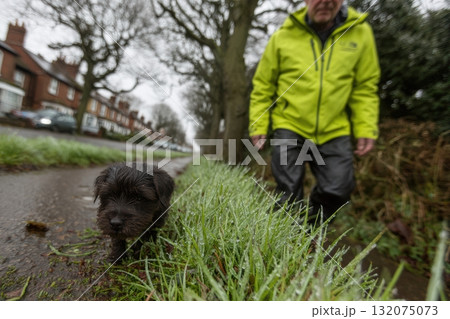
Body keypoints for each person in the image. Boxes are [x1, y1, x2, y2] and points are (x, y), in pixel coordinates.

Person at [249, 0, 380, 223]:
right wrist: (259, 124)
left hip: (335, 128)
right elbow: (263, 85)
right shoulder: (283, 36)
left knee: (337, 190)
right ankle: (283, 242)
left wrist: (366, 126)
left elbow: (365, 87)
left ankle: (309, 231)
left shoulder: (360, 33)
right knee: (289, 193)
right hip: (289, 124)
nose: (326, 3)